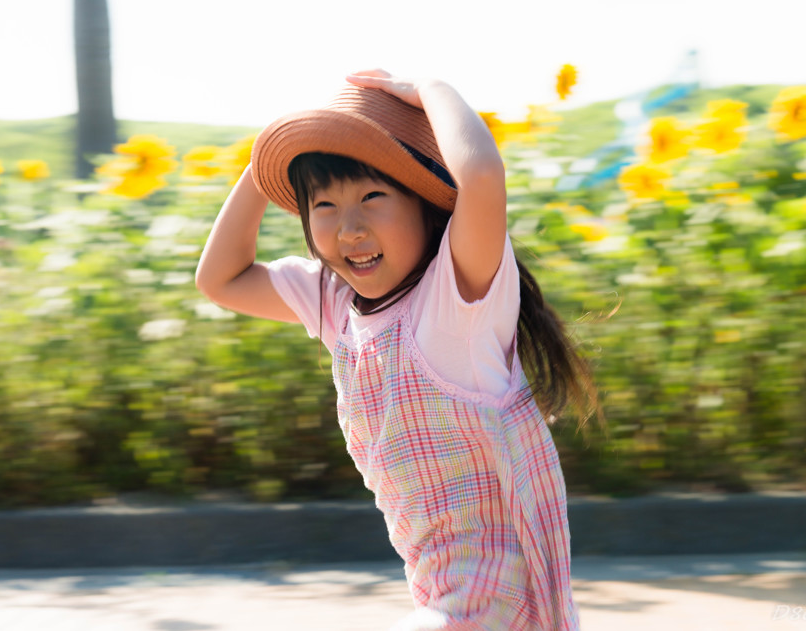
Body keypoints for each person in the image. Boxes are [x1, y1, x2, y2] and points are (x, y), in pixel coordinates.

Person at [196, 70, 599, 630]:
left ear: (426, 206)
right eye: (324, 206)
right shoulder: (334, 303)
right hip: (437, 594)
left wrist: (428, 89)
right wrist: (272, 159)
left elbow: (481, 174)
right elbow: (221, 279)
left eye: (373, 197)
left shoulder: (457, 300)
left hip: (497, 601)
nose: (349, 229)